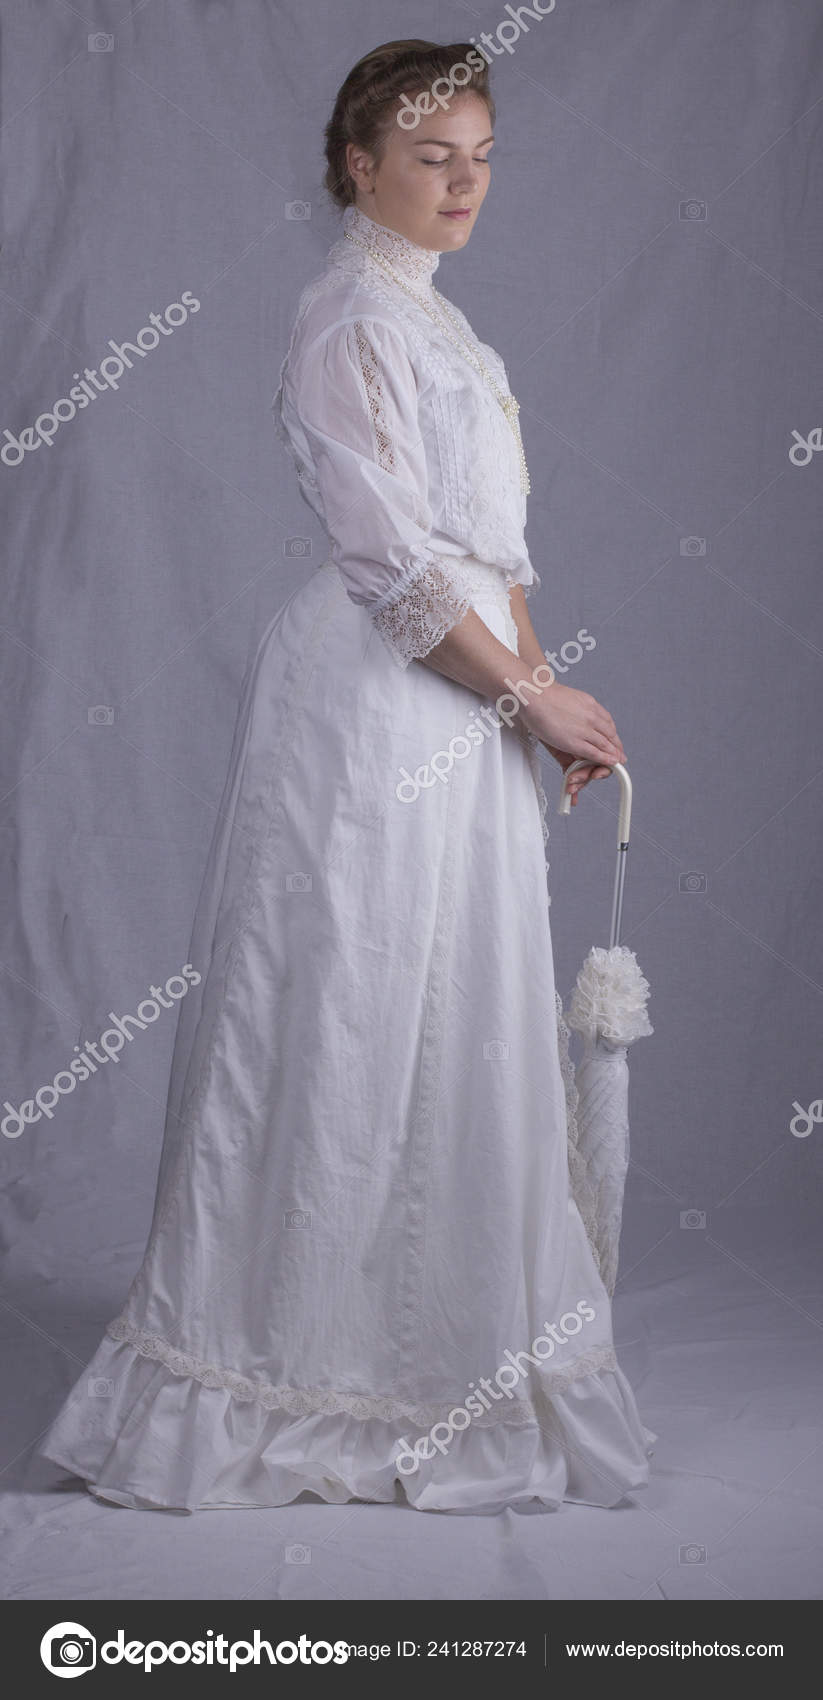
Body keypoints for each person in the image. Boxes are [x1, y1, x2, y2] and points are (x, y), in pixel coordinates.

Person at [40, 39, 654, 1514]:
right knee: (348, 1008)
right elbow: (388, 557)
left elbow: (488, 556)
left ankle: (439, 1360)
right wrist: (526, 692)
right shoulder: (346, 315)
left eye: (482, 158)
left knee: (454, 1017)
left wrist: (536, 708)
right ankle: (292, 1365)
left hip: (463, 699)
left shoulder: (451, 333)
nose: (463, 185)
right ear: (357, 164)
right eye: (432, 157)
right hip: (374, 709)